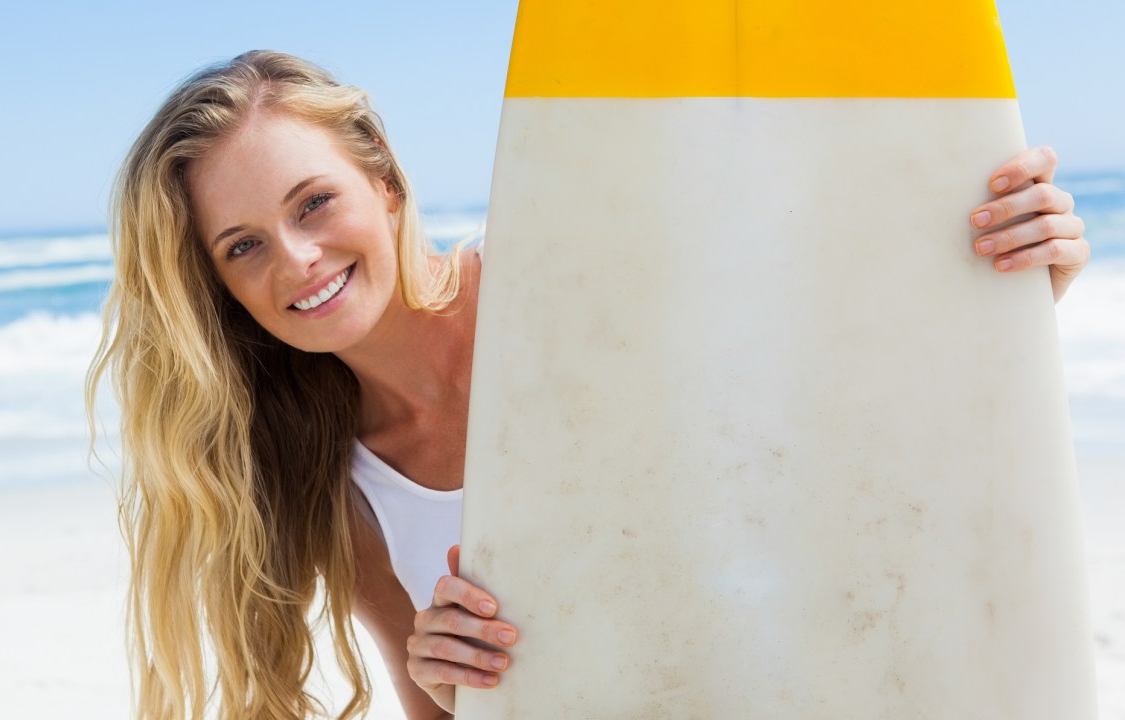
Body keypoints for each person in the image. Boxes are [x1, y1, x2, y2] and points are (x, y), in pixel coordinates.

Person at [87, 50, 1091, 720]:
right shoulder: (342, 489)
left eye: (315, 202)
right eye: (243, 246)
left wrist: (1004, 287)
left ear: (383, 184)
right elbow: (440, 713)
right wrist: (444, 676)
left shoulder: (568, 286)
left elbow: (817, 398)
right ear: (215, 289)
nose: (298, 259)